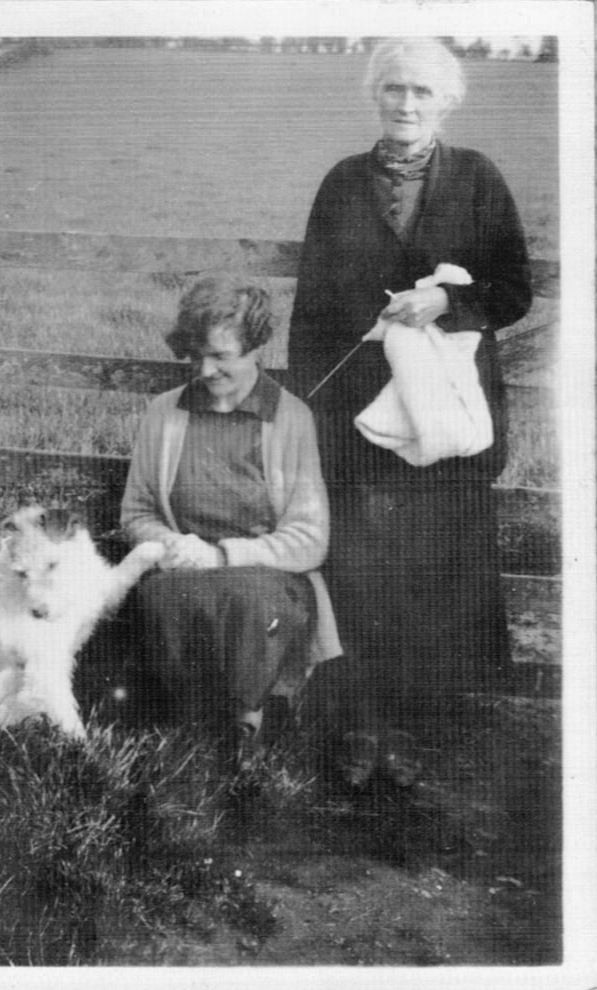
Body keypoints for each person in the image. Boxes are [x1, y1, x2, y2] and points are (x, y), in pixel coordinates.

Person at [287, 38, 532, 760]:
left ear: (446, 101)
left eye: (422, 92)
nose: (406, 104)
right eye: (394, 89)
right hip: (359, 410)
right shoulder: (341, 184)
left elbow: (513, 289)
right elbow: (312, 308)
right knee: (361, 558)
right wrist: (309, 407)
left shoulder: (478, 180)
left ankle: (436, 727)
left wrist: (446, 302)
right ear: (376, 95)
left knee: (441, 557)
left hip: (449, 408)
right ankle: (360, 721)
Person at [120, 274, 342, 762]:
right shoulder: (163, 413)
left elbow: (309, 539)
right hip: (184, 569)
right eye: (197, 355)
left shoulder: (290, 418)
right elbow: (136, 511)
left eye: (221, 356)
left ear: (255, 348)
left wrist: (221, 554)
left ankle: (249, 725)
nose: (205, 369)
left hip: (267, 579)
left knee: (249, 596)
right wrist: (170, 545)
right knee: (162, 596)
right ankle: (185, 728)